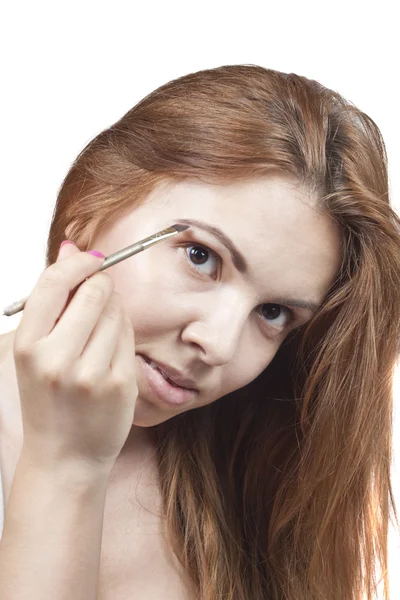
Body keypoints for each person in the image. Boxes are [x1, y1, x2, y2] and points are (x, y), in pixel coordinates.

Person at [0, 64, 399, 600]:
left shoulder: (258, 471)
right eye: (200, 256)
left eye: (274, 312)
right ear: (91, 206)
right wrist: (65, 464)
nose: (220, 344)